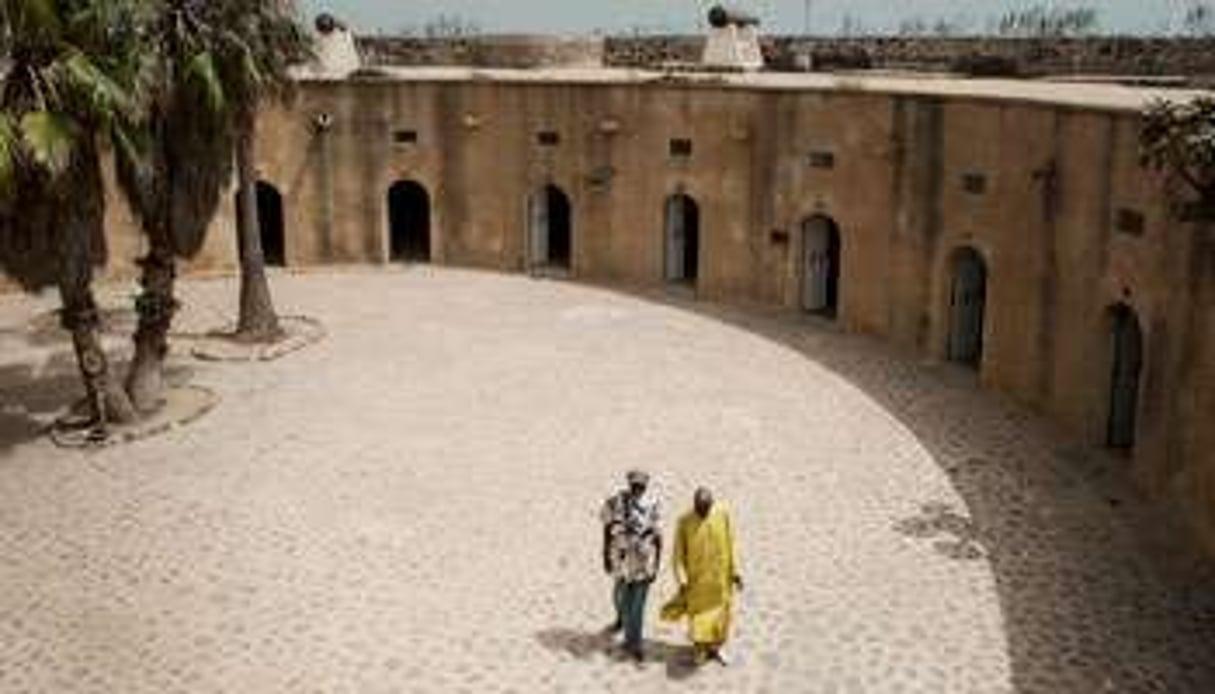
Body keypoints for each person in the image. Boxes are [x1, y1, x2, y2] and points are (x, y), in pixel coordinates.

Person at [665, 487, 742, 666]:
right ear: (694, 505)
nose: (703, 511)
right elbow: (677, 554)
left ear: (711, 504)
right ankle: (699, 649)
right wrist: (682, 580)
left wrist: (735, 572)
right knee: (698, 617)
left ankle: (716, 648)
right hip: (697, 580)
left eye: (706, 508)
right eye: (700, 508)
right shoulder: (684, 521)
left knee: (721, 616)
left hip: (720, 578)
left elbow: (730, 543)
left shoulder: (722, 514)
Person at [600, 470, 662, 662]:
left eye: (641, 486)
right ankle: (623, 624)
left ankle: (634, 643)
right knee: (623, 599)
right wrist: (605, 556)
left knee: (638, 605)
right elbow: (607, 528)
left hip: (644, 561)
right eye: (635, 486)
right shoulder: (615, 502)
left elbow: (658, 536)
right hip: (622, 561)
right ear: (629, 485)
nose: (638, 490)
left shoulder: (652, 504)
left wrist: (657, 564)